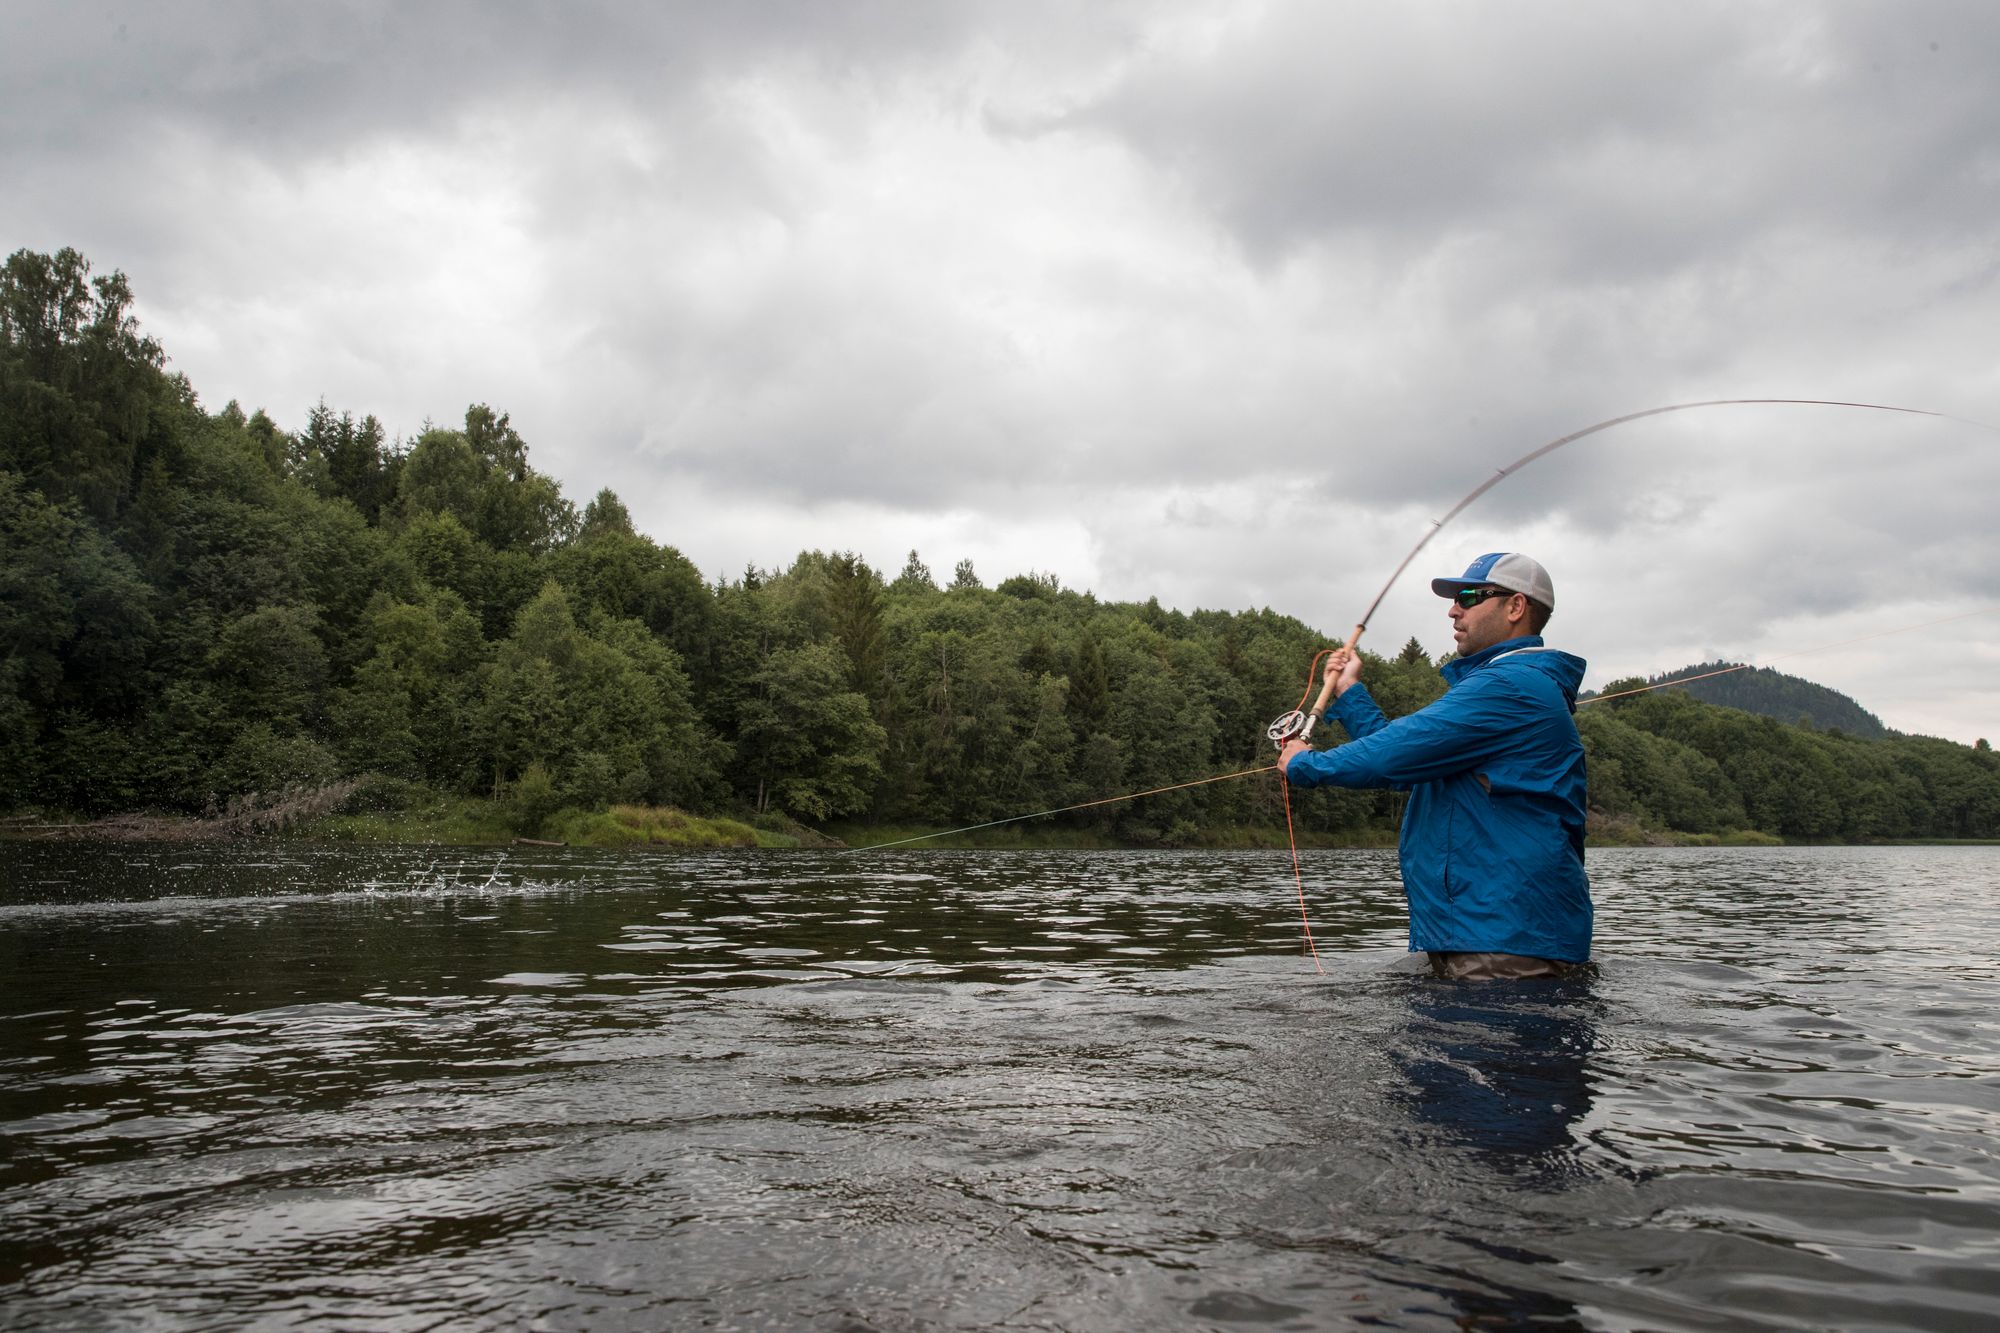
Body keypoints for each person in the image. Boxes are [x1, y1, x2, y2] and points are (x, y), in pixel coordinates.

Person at [1277, 552, 1591, 980]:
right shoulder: (1505, 686)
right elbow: (1411, 758)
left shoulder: (1509, 685)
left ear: (1516, 607)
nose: (1453, 609)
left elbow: (1394, 753)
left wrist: (1304, 763)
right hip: (1486, 932)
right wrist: (1349, 688)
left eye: (1469, 596)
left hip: (1504, 937)